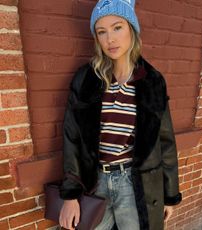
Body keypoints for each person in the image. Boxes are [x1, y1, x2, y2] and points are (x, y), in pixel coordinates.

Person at [59, 0, 182, 229]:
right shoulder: (86, 80)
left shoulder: (152, 82)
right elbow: (72, 138)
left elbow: (166, 143)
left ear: (132, 29)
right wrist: (70, 194)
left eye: (117, 27)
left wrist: (169, 194)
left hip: (136, 184)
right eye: (101, 32)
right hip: (95, 184)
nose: (110, 39)